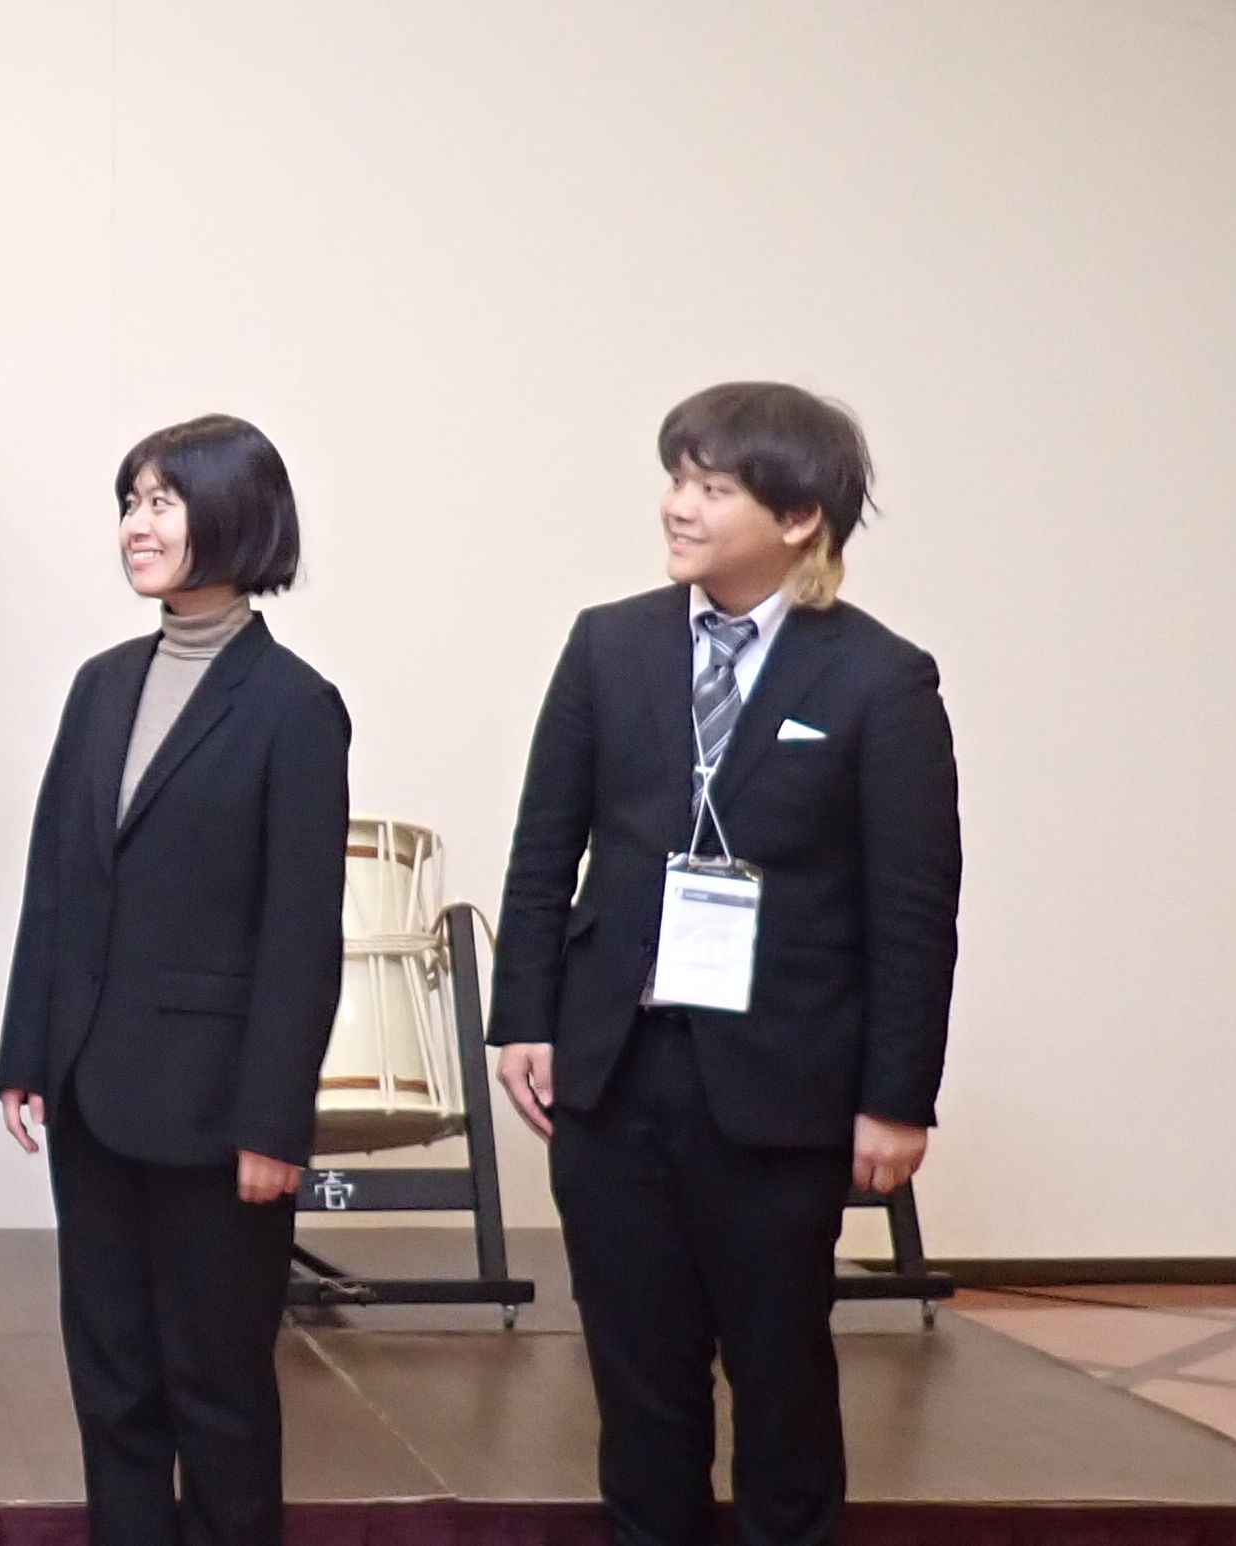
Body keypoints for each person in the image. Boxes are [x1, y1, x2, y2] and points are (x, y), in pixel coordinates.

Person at [488, 382, 963, 1546]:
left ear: (797, 518)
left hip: (778, 1086)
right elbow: (544, 848)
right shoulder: (609, 645)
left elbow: (911, 911)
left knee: (780, 1377)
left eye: (711, 487)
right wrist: (525, 1018)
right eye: (676, 479)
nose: (676, 506)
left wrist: (896, 1098)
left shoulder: (879, 679)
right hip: (614, 1071)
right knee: (637, 1379)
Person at [0, 414, 350, 1546]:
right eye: (129, 503)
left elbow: (302, 935)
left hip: (215, 1113)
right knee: (112, 1381)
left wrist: (273, 1123)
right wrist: (25, 1050)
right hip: (91, 1090)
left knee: (218, 1388)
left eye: (160, 501)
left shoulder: (295, 706)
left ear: (234, 516)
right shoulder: (100, 685)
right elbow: (56, 882)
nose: (134, 526)